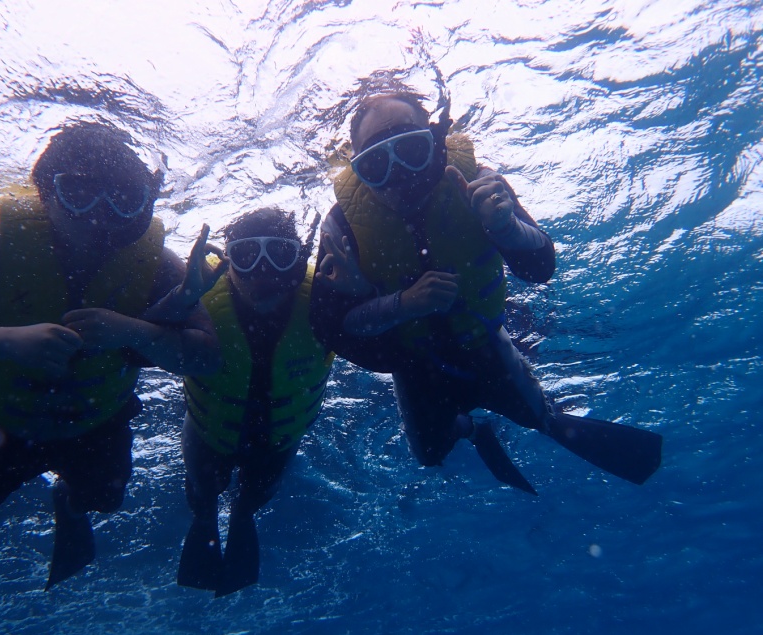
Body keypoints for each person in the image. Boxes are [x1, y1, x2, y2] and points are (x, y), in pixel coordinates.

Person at [0, 122, 222, 635]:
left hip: (95, 421)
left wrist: (133, 331)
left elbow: (207, 359)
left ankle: (70, 504)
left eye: (123, 199)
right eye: (77, 192)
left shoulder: (160, 266)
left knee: (103, 497)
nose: (100, 215)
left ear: (145, 201)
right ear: (43, 191)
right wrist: (5, 341)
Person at [311, 92, 662, 491]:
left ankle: (496, 422)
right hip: (415, 361)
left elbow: (541, 266)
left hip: (484, 340)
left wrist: (506, 229)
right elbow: (331, 326)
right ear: (358, 171)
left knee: (541, 419)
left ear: (435, 142)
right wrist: (403, 305)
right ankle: (472, 430)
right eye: (376, 164)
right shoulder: (342, 229)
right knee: (430, 456)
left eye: (410, 149)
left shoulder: (476, 184)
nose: (399, 176)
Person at [154, 208, 334, 597]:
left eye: (281, 256)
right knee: (203, 494)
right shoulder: (199, 298)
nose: (263, 274)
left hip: (277, 441)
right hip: (209, 433)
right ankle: (205, 519)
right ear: (228, 259)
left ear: (300, 258)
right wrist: (180, 298)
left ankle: (240, 516)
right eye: (247, 256)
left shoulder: (327, 298)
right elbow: (137, 346)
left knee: (252, 499)